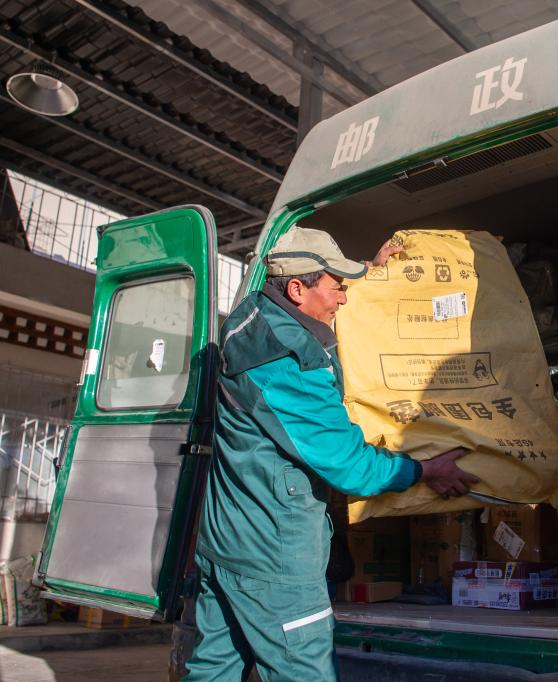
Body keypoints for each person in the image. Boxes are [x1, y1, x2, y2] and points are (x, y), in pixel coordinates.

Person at [184, 227, 478, 681]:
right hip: (272, 556)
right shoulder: (288, 365)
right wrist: (424, 470)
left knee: (212, 672)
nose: (343, 297)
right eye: (336, 286)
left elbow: (320, 295)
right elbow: (351, 467)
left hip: (226, 541)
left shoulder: (252, 316)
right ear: (297, 289)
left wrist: (369, 272)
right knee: (306, 672)